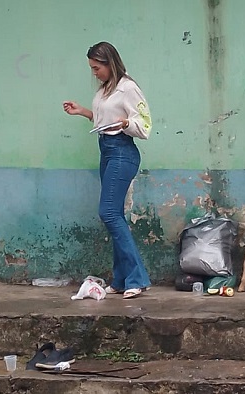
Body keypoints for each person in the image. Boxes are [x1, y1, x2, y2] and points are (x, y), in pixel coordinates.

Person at [62, 42, 152, 299]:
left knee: (109, 213)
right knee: (115, 216)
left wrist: (127, 123)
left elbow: (144, 124)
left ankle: (138, 277)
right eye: (92, 68)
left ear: (109, 63)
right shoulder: (105, 90)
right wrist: (83, 112)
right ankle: (122, 279)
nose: (94, 73)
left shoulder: (128, 88)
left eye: (96, 67)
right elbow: (104, 121)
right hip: (107, 151)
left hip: (123, 152)